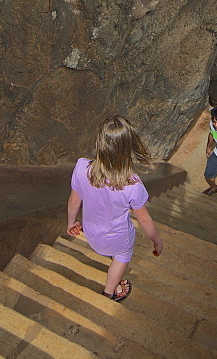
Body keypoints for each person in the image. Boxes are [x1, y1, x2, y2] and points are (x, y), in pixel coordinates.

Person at [66, 116, 164, 302]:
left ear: (100, 143)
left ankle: (112, 287)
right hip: (117, 239)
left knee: (114, 252)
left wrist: (72, 222)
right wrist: (157, 241)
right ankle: (110, 292)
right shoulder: (132, 184)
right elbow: (144, 219)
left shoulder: (81, 168)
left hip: (92, 235)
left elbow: (73, 201)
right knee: (121, 257)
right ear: (128, 148)